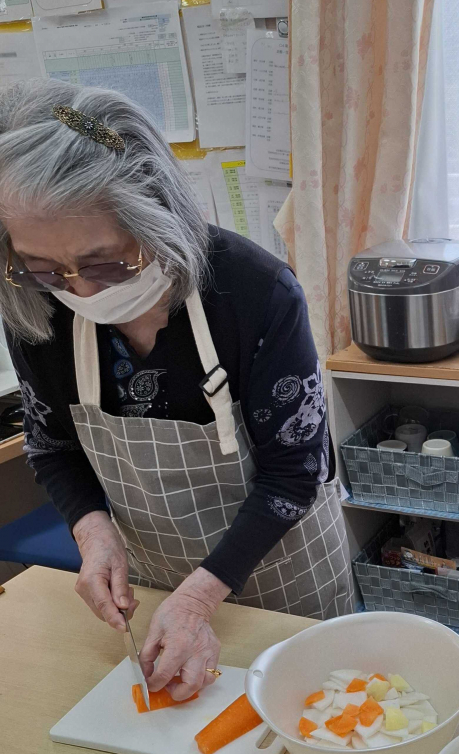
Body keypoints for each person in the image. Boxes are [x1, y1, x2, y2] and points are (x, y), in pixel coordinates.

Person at [0, 80, 353, 702]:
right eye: (46, 268)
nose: (79, 292)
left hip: (285, 575)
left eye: (105, 263)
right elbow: (53, 446)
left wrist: (198, 600)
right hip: (157, 575)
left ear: (158, 216)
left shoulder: (254, 292)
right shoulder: (36, 307)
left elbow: (294, 473)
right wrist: (92, 533)